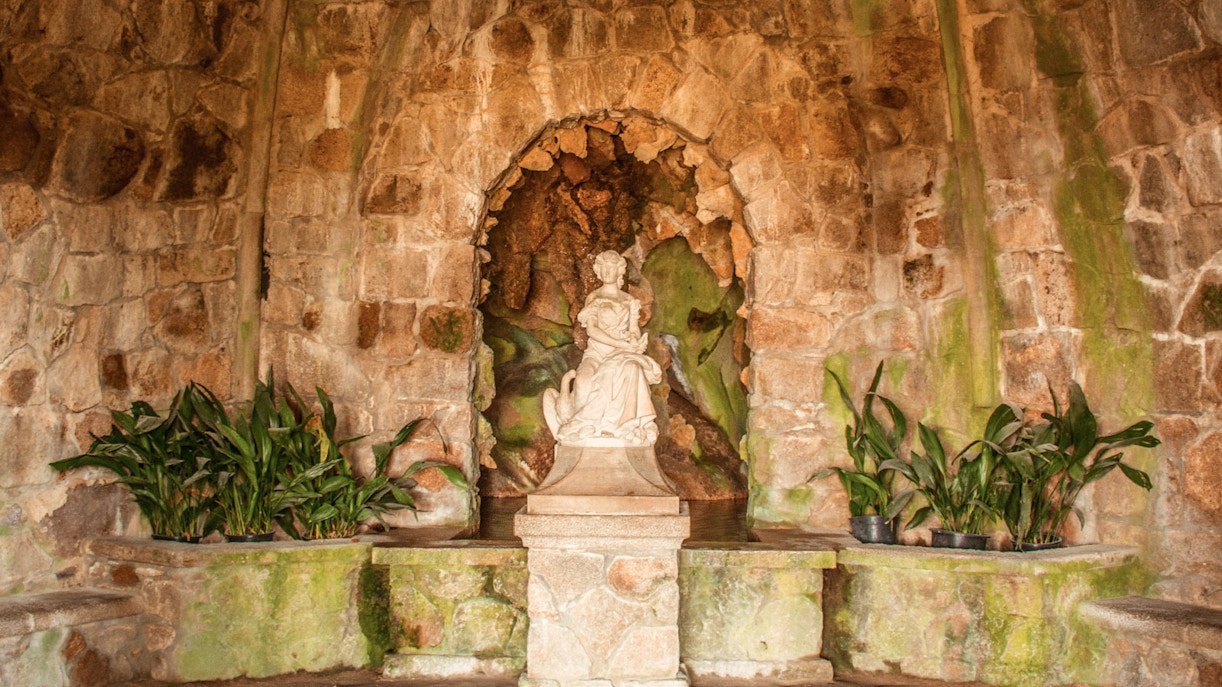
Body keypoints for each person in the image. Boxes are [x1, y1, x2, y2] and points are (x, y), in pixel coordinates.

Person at [543, 251, 663, 447]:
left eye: (612, 267)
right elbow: (592, 330)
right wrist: (621, 343)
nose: (607, 271)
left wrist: (635, 342)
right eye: (604, 267)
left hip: (622, 353)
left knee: (633, 368)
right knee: (582, 381)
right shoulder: (594, 297)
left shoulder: (629, 301)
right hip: (597, 353)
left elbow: (633, 330)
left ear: (619, 271)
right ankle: (581, 427)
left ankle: (624, 426)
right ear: (598, 271)